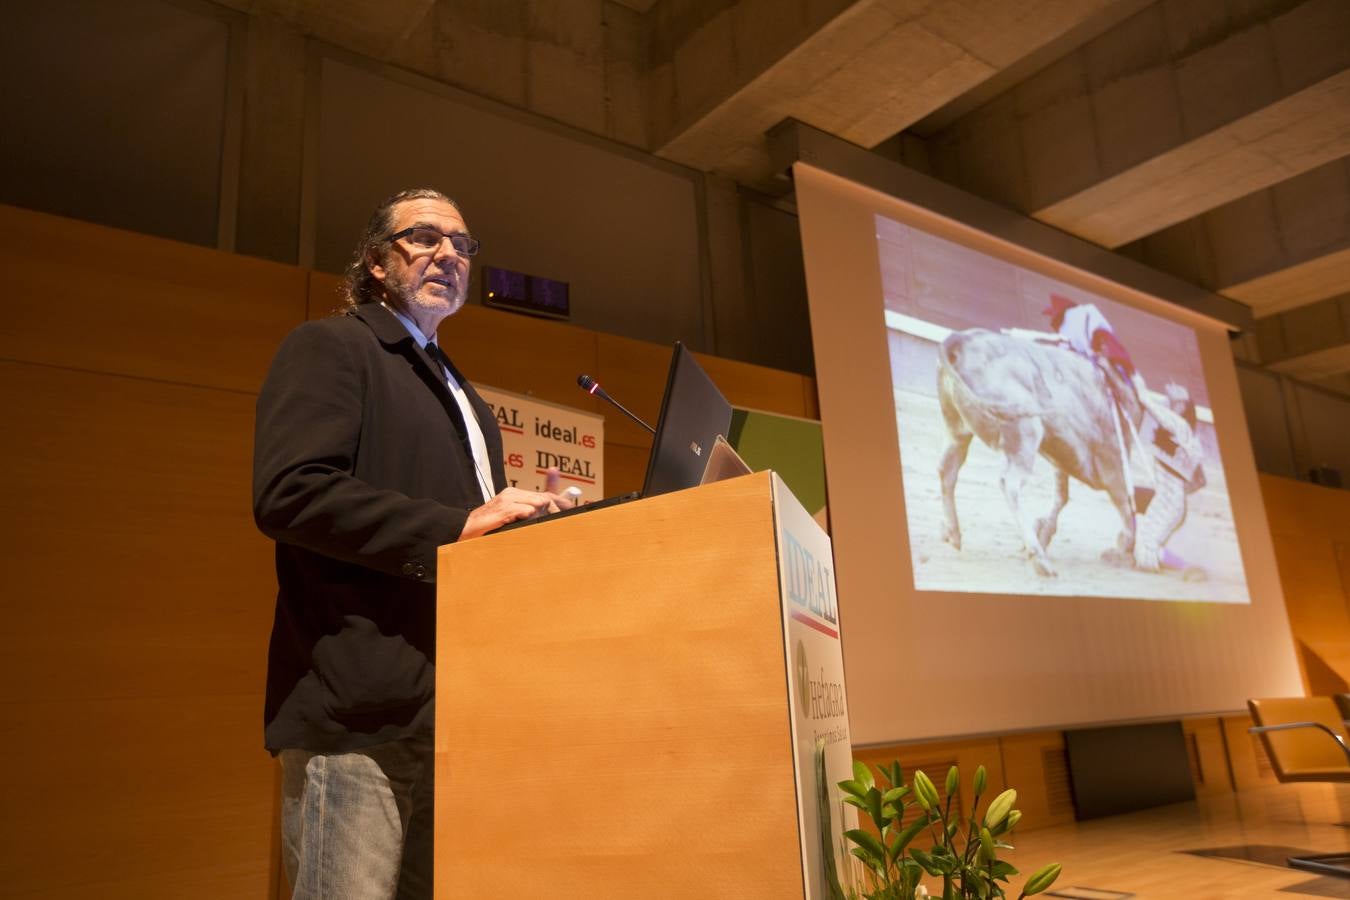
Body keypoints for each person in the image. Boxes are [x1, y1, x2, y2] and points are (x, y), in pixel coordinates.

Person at [252, 187, 575, 900]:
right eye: (424, 237)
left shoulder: (464, 397)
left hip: (455, 713)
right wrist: (455, 525)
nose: (447, 254)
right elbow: (291, 492)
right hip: (358, 715)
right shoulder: (334, 347)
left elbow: (470, 543)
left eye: (462, 244)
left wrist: (528, 527)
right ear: (375, 260)